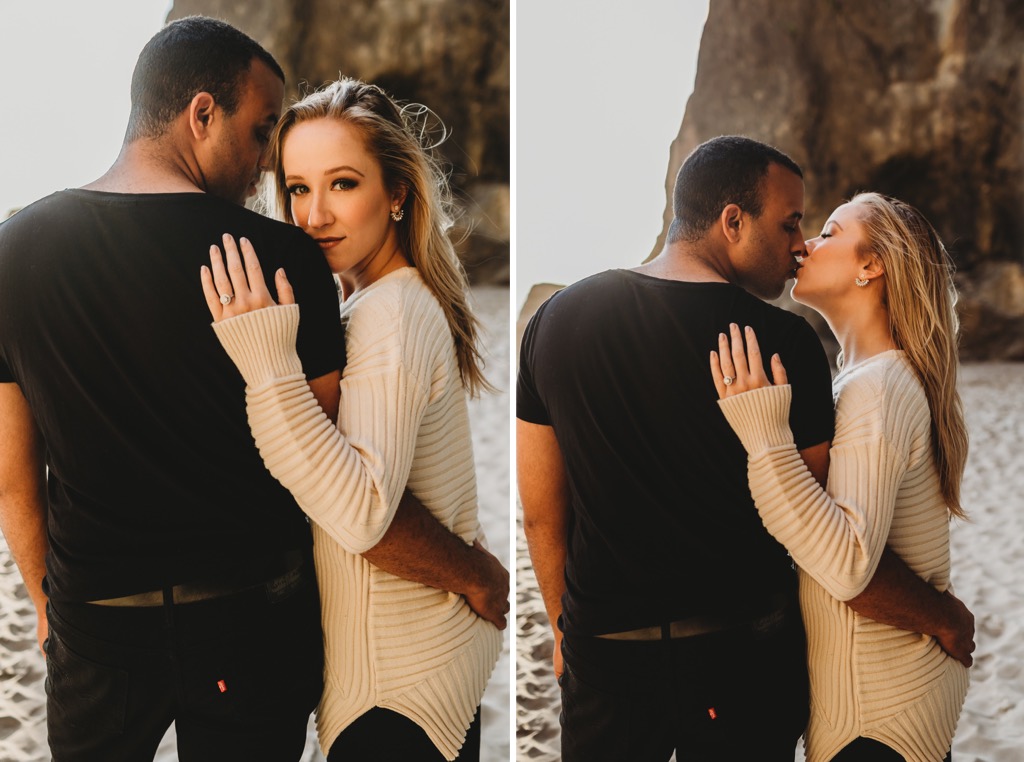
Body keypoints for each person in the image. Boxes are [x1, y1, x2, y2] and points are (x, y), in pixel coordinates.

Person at [0, 17, 505, 762]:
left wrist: (49, 608)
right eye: (263, 130)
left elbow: (15, 478)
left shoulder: (13, 253)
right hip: (252, 627)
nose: (266, 165)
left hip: (96, 626)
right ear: (202, 113)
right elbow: (323, 483)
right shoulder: (282, 260)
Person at [516, 136, 975, 761]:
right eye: (790, 224)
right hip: (742, 665)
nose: (799, 244)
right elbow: (808, 541)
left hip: (607, 656)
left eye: (814, 229)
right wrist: (942, 614)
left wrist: (565, 628)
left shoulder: (553, 321)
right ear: (733, 220)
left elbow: (543, 510)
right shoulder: (784, 343)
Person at [198, 78, 503, 761]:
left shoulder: (388, 314)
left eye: (342, 183)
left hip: (396, 692)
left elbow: (364, 510)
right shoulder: (385, 299)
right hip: (425, 668)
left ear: (397, 192)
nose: (313, 215)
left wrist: (268, 365)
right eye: (298, 188)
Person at [711, 192, 971, 761]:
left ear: (871, 265)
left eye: (829, 233)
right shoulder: (868, 380)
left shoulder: (877, 388)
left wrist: (764, 435)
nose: (804, 245)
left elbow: (850, 561)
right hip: (892, 703)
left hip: (878, 718)